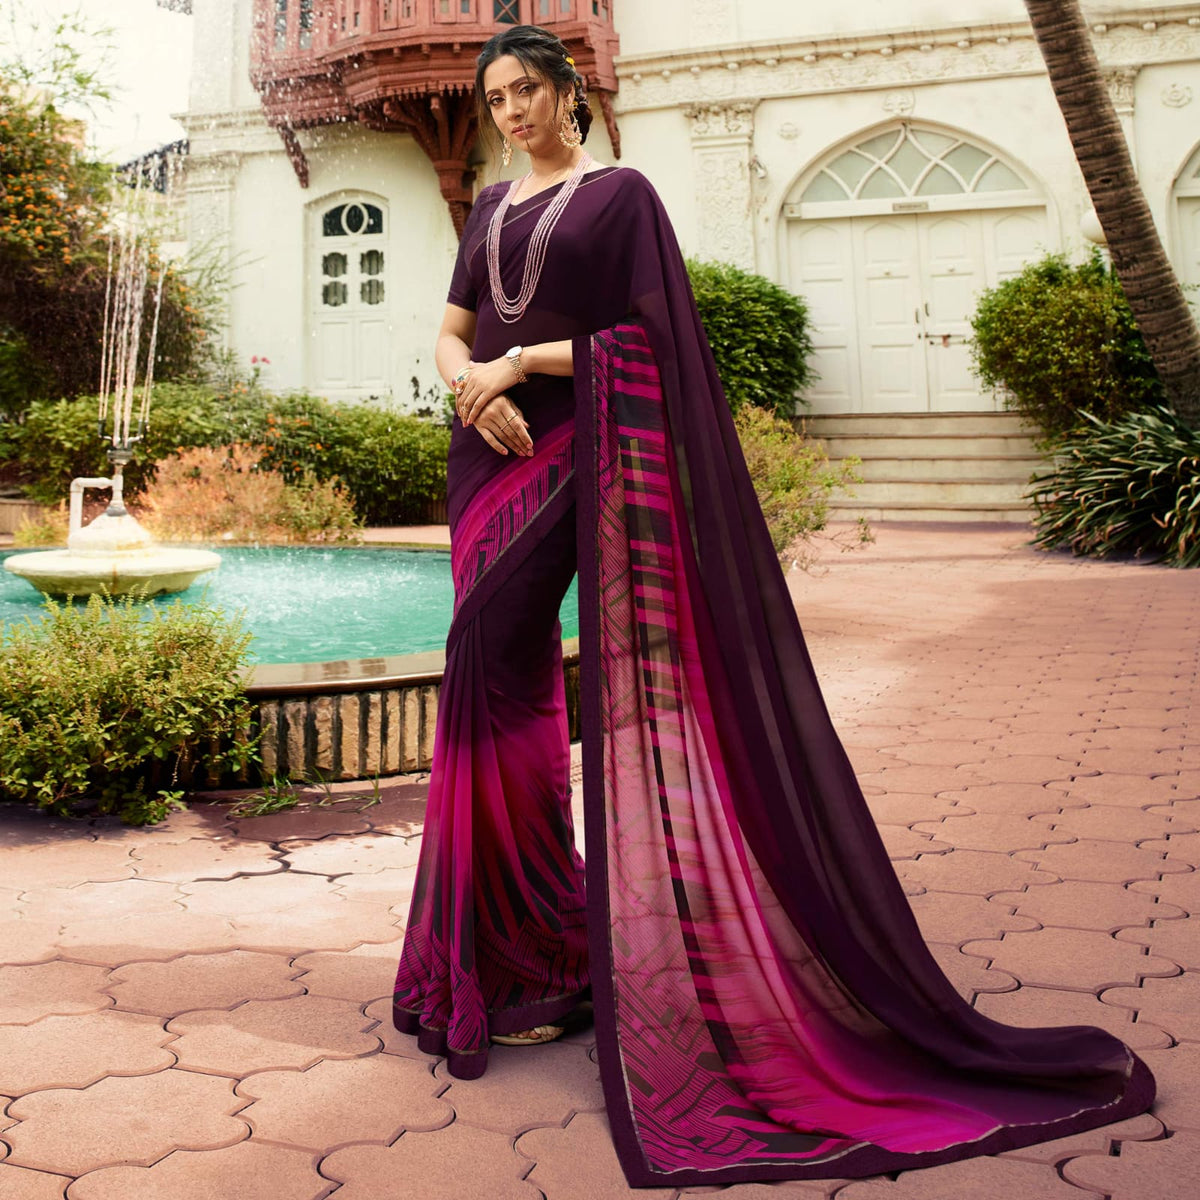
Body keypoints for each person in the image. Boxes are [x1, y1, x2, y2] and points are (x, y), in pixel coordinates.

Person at [393, 23, 1154, 1189]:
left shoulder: (622, 196)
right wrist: (466, 381)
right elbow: (451, 330)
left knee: (501, 659)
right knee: (489, 680)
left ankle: (542, 939)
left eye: (525, 93)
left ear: (567, 92)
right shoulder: (491, 207)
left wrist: (520, 370)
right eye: (494, 98)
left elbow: (650, 334)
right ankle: (515, 948)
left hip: (566, 453)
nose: (508, 114)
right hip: (481, 458)